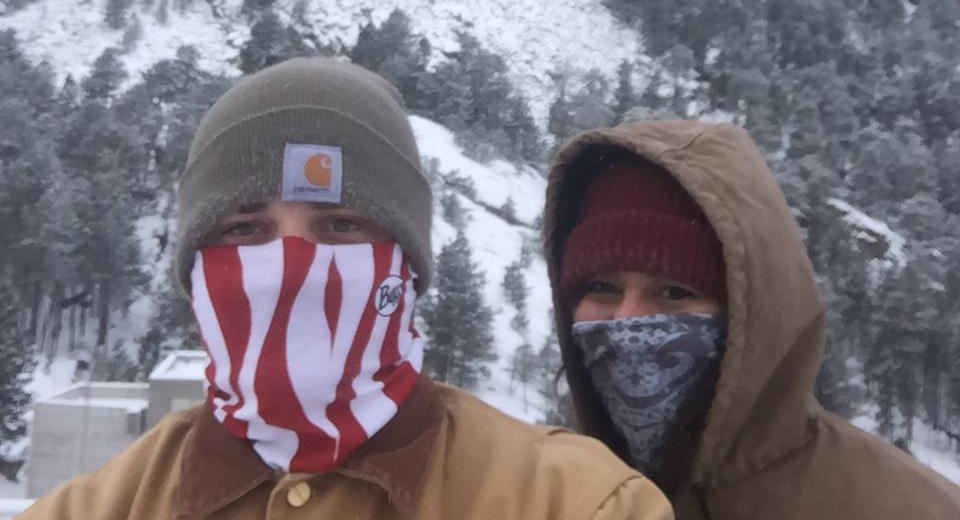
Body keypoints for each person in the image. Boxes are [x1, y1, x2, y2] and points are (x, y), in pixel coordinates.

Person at [22, 58, 672, 520]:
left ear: (408, 267)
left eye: (341, 225)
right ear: (193, 268)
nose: (292, 266)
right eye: (245, 229)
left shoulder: (579, 503)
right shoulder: (96, 508)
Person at [543, 119, 960, 520]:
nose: (627, 321)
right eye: (601, 288)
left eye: (675, 292)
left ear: (750, 313)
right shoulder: (544, 496)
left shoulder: (906, 508)